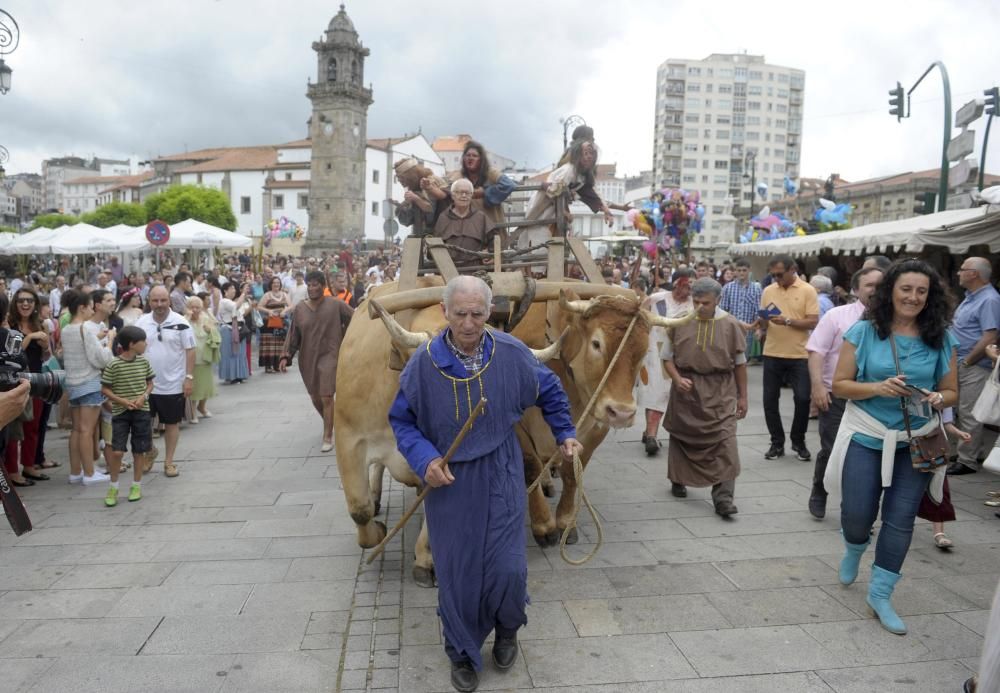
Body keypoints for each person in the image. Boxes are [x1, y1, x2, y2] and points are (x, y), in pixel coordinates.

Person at [388, 275, 581, 692]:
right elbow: (401, 421)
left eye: (478, 313)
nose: (470, 322)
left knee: (509, 567)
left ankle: (508, 628)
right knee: (457, 572)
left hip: (502, 470)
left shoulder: (510, 353)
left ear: (489, 312)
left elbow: (549, 389)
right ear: (446, 313)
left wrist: (564, 431)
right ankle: (461, 652)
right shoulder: (424, 363)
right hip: (450, 479)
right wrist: (425, 460)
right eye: (461, 314)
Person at [828, 259, 958, 635]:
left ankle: (881, 594)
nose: (914, 297)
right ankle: (854, 547)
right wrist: (877, 387)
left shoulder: (941, 337)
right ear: (891, 291)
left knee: (900, 521)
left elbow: (951, 392)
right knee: (857, 513)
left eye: (922, 291)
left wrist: (937, 398)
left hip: (916, 441)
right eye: (906, 289)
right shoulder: (864, 332)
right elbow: (841, 385)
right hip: (867, 434)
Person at [661, 278, 748, 514]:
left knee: (726, 441)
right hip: (686, 389)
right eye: (696, 301)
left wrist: (743, 397)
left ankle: (723, 498)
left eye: (706, 303)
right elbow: (667, 358)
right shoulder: (679, 322)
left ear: (718, 300)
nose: (700, 307)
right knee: (682, 436)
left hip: (720, 390)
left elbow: (740, 365)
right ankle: (678, 479)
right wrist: (678, 379)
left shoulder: (730, 325)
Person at [806, 266, 883, 518]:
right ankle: (820, 489)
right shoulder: (837, 316)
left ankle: (853, 507)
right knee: (832, 449)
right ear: (856, 289)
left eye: (880, 285)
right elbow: (817, 351)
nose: (875, 290)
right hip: (836, 395)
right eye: (870, 285)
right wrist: (817, 386)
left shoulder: (893, 321)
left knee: (866, 456)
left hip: (875, 398)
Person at [278, 271, 353, 452]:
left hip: (331, 355)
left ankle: (327, 436)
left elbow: (355, 318)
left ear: (323, 286)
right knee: (315, 397)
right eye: (309, 285)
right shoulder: (300, 309)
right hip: (308, 358)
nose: (311, 288)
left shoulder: (336, 304)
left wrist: (348, 339)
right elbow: (293, 334)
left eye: (315, 284)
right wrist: (285, 355)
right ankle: (332, 423)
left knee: (327, 395)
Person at [758, 254, 820, 461]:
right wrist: (763, 324)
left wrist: (787, 321)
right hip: (772, 352)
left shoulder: (808, 290)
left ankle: (798, 440)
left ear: (792, 269)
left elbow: (812, 322)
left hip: (799, 354)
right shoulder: (768, 290)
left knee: (803, 399)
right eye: (773, 275)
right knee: (769, 400)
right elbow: (765, 320)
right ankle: (776, 443)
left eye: (779, 274)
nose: (776, 278)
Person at [947, 257, 1000, 476]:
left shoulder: (989, 299)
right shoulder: (972, 297)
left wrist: (968, 361)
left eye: (962, 269)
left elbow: (991, 335)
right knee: (965, 410)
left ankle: (966, 460)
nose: (958, 273)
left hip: (975, 364)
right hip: (963, 362)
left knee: (970, 412)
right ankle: (970, 452)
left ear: (974, 274)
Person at [135, 286, 196, 479]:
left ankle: (169, 462)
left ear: (169, 300)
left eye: (163, 300)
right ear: (149, 301)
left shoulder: (180, 322)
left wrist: (189, 378)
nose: (159, 305)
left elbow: (190, 350)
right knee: (141, 424)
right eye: (155, 301)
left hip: (173, 384)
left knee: (171, 424)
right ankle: (150, 451)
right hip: (146, 384)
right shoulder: (142, 322)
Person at [637, 269, 693, 455]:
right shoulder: (656, 299)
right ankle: (652, 436)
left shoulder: (695, 303)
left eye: (691, 285)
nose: (689, 289)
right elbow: (639, 320)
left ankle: (650, 432)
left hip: (683, 354)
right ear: (677, 283)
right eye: (686, 284)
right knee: (655, 391)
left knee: (674, 395)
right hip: (655, 352)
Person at [61, 289, 114, 485]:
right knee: (86, 431)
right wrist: (109, 342)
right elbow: (101, 359)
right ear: (82, 308)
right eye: (90, 306)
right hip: (89, 383)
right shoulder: (84, 329)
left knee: (76, 430)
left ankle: (76, 472)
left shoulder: (67, 329)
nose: (92, 309)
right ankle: (90, 473)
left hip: (73, 384)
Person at [99, 325, 154, 507]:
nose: (146, 344)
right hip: (120, 413)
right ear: (132, 344)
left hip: (142, 411)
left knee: (139, 450)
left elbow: (150, 383)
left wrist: (143, 397)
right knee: (117, 451)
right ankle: (113, 487)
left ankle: (136, 486)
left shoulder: (144, 362)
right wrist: (121, 401)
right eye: (143, 341)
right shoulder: (114, 364)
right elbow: (105, 388)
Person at [3, 288, 51, 487]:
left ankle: (29, 466)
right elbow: (12, 353)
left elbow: (46, 356)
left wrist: (46, 345)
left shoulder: (39, 324)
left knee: (34, 426)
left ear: (35, 305)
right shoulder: (9, 325)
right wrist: (29, 338)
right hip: (13, 382)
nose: (25, 304)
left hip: (36, 380)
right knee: (13, 429)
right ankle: (12, 472)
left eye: (29, 301)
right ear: (15, 303)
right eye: (21, 300)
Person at [442, 140, 516, 228]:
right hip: (470, 226)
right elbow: (446, 188)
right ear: (464, 158)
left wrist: (485, 193)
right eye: (468, 155)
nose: (470, 158)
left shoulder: (490, 173)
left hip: (491, 223)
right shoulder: (459, 176)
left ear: (481, 159)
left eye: (474, 156)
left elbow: (508, 185)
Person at [433, 179, 493, 267]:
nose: (464, 196)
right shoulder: (443, 217)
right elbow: (435, 246)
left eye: (467, 193)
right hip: (449, 269)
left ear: (471, 196)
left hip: (476, 270)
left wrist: (490, 252)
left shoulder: (481, 217)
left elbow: (495, 239)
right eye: (460, 192)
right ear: (453, 195)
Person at [719, 258, 762, 362]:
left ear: (749, 270)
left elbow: (758, 311)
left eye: (744, 270)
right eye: (739, 270)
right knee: (729, 360)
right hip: (731, 330)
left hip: (748, 331)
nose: (741, 273)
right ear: (735, 272)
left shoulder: (756, 289)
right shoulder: (728, 288)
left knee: (743, 361)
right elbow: (722, 310)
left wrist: (758, 329)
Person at [186, 296, 220, 422]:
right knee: (194, 386)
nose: (195, 310)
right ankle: (193, 411)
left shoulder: (205, 318)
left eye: (197, 307)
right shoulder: (184, 320)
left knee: (206, 385)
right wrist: (189, 318)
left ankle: (202, 406)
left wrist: (210, 330)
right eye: (192, 307)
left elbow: (215, 332)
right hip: (191, 358)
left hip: (204, 356)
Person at [259, 276, 290, 373]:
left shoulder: (284, 294)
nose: (276, 284)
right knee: (270, 344)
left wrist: (285, 311)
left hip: (281, 321)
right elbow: (259, 306)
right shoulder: (267, 295)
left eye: (278, 282)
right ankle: (268, 366)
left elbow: (291, 305)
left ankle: (278, 365)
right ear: (271, 284)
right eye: (274, 283)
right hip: (269, 321)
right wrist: (269, 311)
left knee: (280, 343)